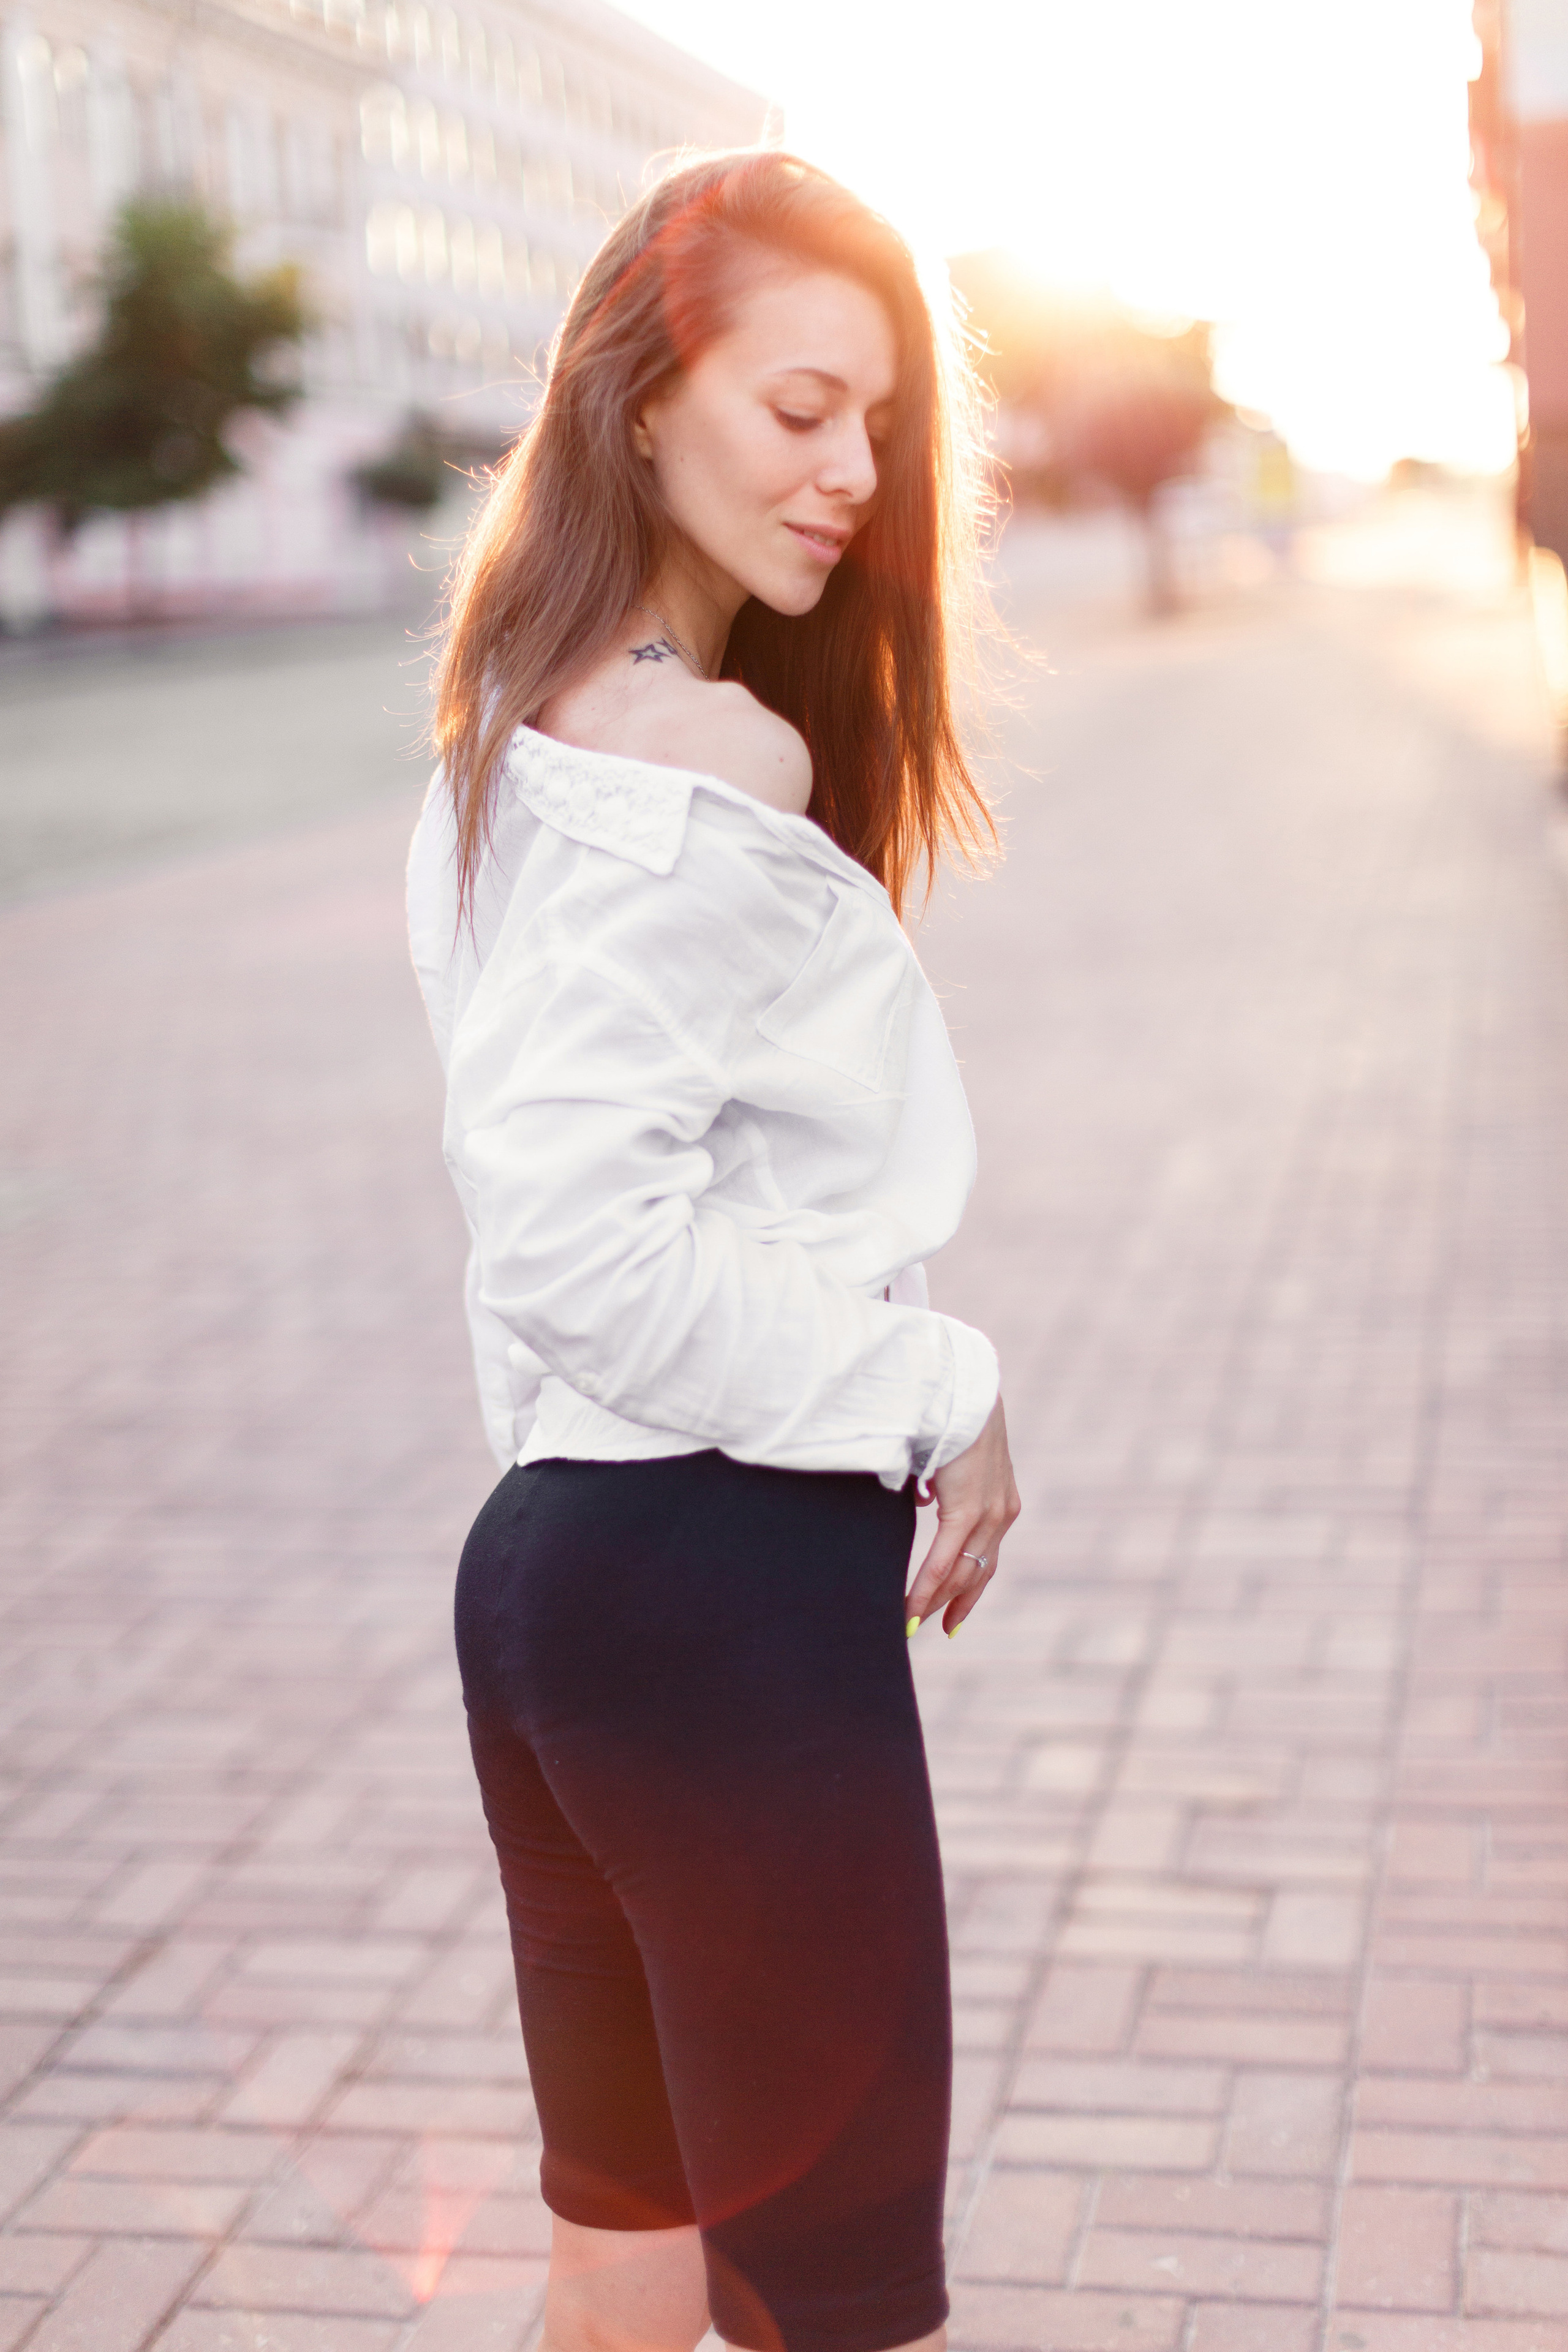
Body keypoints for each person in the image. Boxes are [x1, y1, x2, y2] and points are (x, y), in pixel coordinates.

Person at [407, 148, 1020, 2352]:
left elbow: (562, 1246)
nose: (856, 470)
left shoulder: (512, 737)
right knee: (834, 2316)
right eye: (798, 408)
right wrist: (942, 1389)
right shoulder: (698, 767)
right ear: (644, 399)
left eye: (881, 422)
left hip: (557, 1579)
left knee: (630, 2272)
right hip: (719, 1601)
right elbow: (585, 1244)